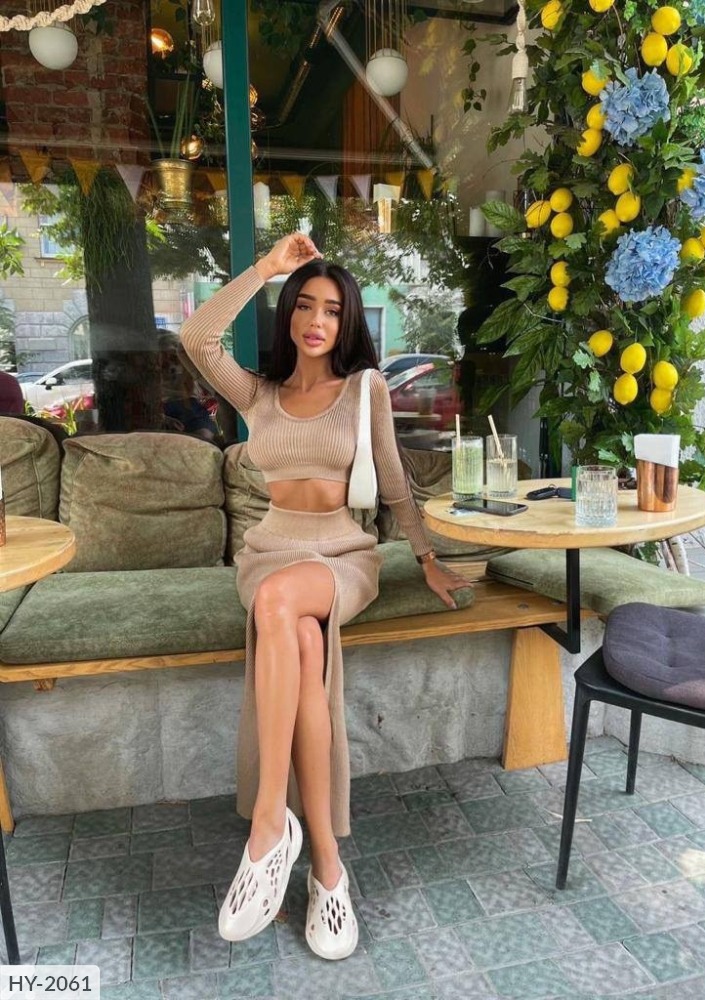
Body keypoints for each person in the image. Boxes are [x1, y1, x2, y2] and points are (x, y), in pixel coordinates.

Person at [180, 232, 466, 961]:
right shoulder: (260, 394)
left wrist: (426, 557)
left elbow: (394, 480)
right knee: (299, 637)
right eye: (304, 304)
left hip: (341, 555)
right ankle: (327, 870)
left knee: (282, 607)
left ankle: (268, 827)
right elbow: (197, 337)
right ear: (289, 315)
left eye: (332, 310)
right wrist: (266, 268)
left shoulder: (365, 389)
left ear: (348, 322)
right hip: (271, 551)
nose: (316, 320)